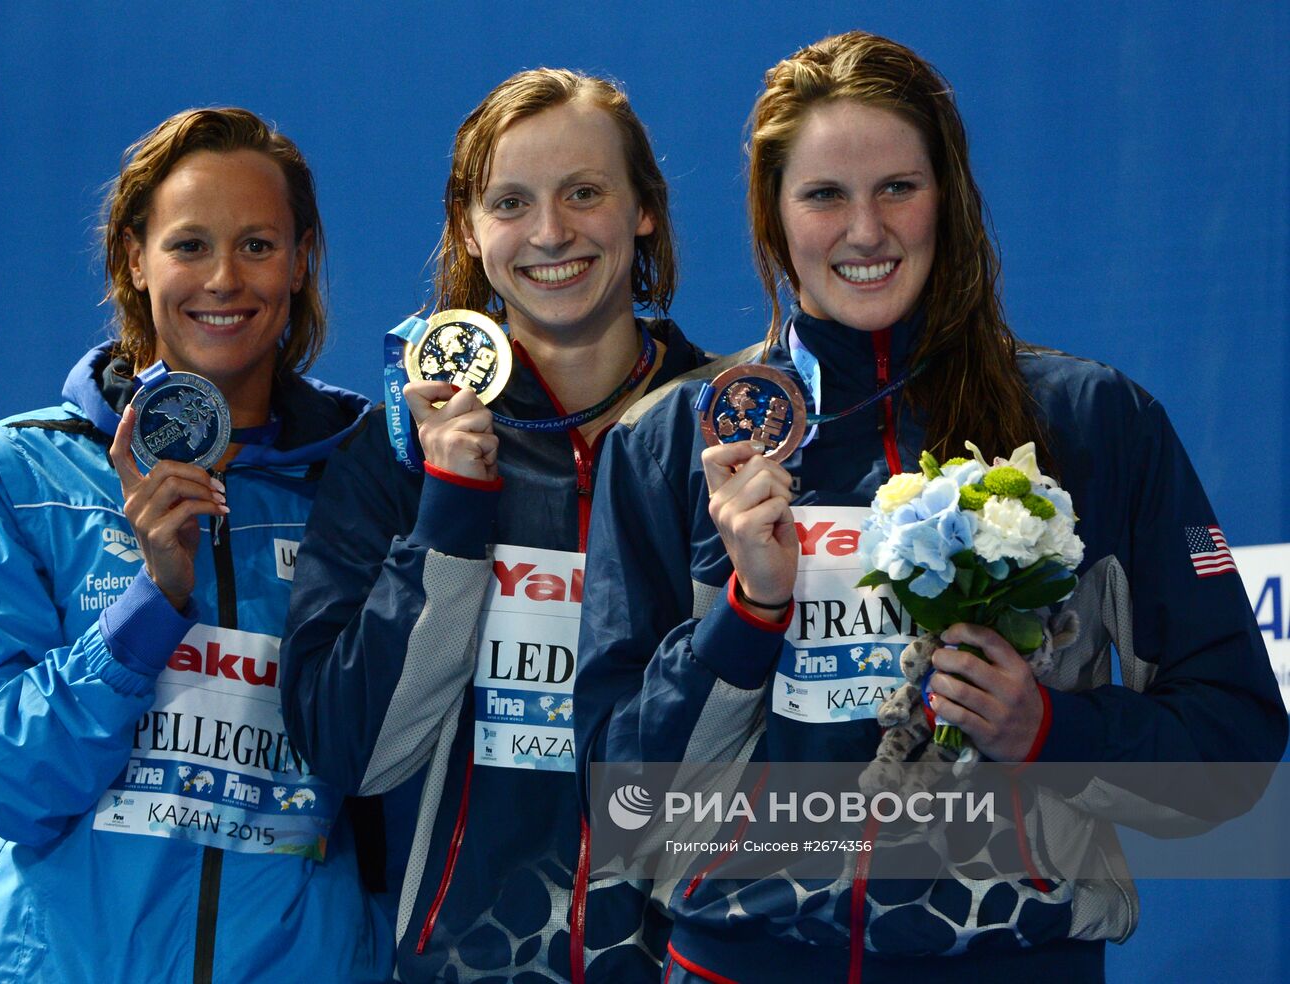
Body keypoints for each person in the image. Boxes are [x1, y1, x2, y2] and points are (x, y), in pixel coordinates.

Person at [573, 31, 1287, 984]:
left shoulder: (1088, 423)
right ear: (774, 216)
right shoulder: (677, 441)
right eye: (824, 194)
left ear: (946, 196)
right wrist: (746, 615)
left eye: (897, 188)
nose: (865, 231)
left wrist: (1047, 732)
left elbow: (1231, 751)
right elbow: (620, 803)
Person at [0, 107, 392, 983]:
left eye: (258, 245)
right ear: (134, 260)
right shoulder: (15, 474)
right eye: (189, 246)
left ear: (300, 263)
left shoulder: (362, 482)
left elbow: (397, 770)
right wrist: (146, 612)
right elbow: (3, 779)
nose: (224, 278)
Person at [281, 69, 710, 983]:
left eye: (584, 193)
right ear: (471, 231)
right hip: (473, 960)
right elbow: (351, 755)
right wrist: (452, 512)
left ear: (643, 210)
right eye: (511, 202)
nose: (551, 232)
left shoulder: (727, 435)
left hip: (697, 955)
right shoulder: (397, 453)